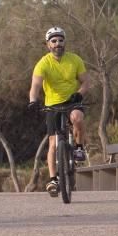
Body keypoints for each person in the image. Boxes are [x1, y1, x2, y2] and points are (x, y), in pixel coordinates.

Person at [28, 26, 89, 196]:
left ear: (65, 43)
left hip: (72, 101)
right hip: (52, 105)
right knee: (53, 143)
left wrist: (79, 94)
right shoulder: (43, 63)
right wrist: (33, 101)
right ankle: (53, 179)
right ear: (48, 45)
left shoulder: (75, 60)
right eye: (53, 41)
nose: (58, 44)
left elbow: (85, 82)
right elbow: (35, 86)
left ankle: (78, 147)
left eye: (61, 40)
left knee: (77, 117)